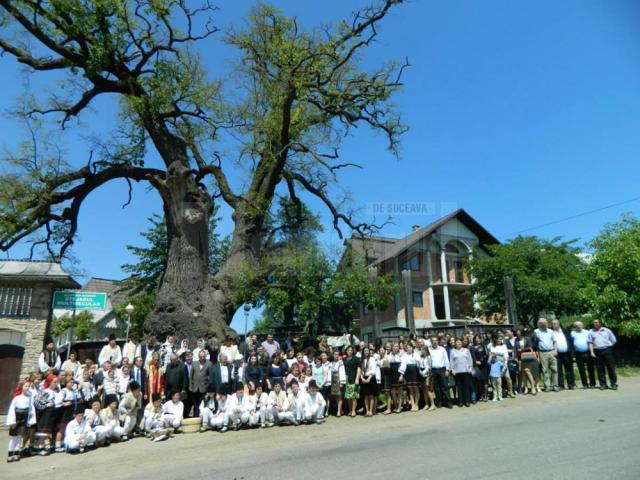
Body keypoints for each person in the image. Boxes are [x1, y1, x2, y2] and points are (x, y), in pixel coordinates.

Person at [6, 380, 36, 462]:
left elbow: (31, 409)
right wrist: (12, 421)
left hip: (24, 418)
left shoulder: (29, 398)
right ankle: (10, 453)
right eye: (26, 386)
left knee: (20, 436)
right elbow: (12, 410)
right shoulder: (17, 398)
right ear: (22, 387)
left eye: (28, 386)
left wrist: (31, 420)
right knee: (13, 437)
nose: (27, 388)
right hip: (17, 418)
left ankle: (17, 452)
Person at [588, 318, 618, 390]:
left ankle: (613, 384)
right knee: (600, 369)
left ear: (600, 323)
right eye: (594, 322)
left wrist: (609, 346)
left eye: (597, 322)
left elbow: (613, 340)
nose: (595, 324)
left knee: (611, 367)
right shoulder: (591, 331)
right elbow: (590, 342)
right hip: (597, 351)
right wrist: (592, 352)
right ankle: (603, 384)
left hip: (607, 350)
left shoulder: (607, 330)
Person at [533, 319, 559, 392]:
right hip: (542, 352)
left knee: (554, 369)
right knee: (545, 370)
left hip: (551, 351)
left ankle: (555, 385)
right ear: (539, 324)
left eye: (546, 323)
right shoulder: (536, 331)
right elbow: (535, 343)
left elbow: (554, 341)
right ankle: (547, 386)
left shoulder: (551, 331)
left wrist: (555, 350)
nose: (545, 325)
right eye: (543, 324)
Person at [429, 336, 452, 409]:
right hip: (434, 370)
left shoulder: (442, 349)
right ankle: (439, 402)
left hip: (442, 370)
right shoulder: (429, 350)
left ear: (438, 341)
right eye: (433, 340)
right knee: (437, 388)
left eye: (436, 340)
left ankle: (448, 402)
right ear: (431, 342)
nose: (435, 342)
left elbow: (446, 360)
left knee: (445, 387)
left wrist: (447, 370)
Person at [449, 339, 473, 407]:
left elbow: (470, 359)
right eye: (457, 342)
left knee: (466, 387)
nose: (458, 343)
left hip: (466, 371)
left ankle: (467, 401)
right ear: (455, 344)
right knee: (459, 387)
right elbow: (451, 361)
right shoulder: (452, 351)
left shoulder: (466, 350)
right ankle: (460, 401)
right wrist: (452, 369)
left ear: (461, 343)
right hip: (457, 372)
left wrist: (470, 368)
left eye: (460, 342)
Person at [572, 321, 596, 389]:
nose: (579, 326)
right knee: (581, 370)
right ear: (575, 326)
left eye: (580, 325)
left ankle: (592, 383)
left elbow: (592, 341)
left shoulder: (587, 332)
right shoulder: (572, 333)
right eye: (577, 325)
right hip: (578, 354)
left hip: (587, 352)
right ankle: (585, 384)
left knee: (590, 368)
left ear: (582, 325)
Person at [190, 349, 212, 417]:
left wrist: (208, 388)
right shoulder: (194, 363)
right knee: (195, 404)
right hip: (195, 388)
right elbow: (191, 376)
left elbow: (210, 377)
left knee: (202, 404)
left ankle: (202, 417)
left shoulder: (209, 363)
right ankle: (195, 416)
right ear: (198, 357)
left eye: (203, 356)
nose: (202, 358)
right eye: (201, 356)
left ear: (205, 356)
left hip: (204, 388)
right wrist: (190, 386)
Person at [342, 345, 361, 417]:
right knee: (349, 396)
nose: (350, 351)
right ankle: (350, 410)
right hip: (346, 379)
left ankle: (353, 411)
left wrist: (357, 378)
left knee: (354, 396)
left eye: (351, 350)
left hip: (354, 378)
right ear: (346, 351)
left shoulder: (356, 359)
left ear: (353, 351)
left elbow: (359, 369)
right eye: (348, 350)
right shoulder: (344, 359)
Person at [359, 347, 377, 417]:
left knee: (371, 395)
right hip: (364, 378)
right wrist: (362, 378)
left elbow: (373, 369)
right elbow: (360, 370)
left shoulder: (372, 359)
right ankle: (367, 411)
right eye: (365, 351)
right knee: (365, 396)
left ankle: (371, 411)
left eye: (367, 351)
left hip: (371, 378)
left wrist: (369, 378)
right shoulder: (362, 360)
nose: (366, 352)